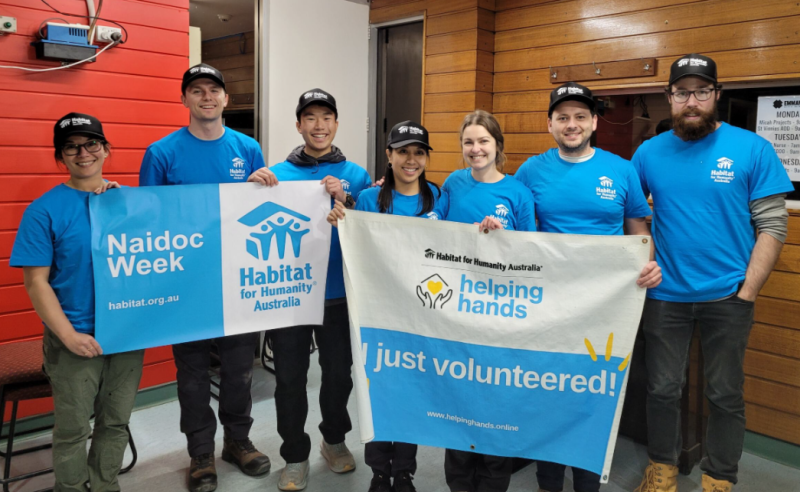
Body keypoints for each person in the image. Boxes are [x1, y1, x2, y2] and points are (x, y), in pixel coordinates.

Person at [631, 54, 792, 492]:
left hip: (729, 296)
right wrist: (646, 259)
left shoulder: (752, 148)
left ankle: (720, 477)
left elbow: (773, 225)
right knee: (662, 389)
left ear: (717, 95)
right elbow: (632, 215)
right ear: (669, 97)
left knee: (724, 393)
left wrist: (748, 291)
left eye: (702, 91)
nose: (692, 101)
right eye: (682, 92)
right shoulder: (648, 153)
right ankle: (662, 469)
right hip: (665, 296)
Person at [513, 82, 662, 492]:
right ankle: (548, 482)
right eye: (562, 117)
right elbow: (517, 228)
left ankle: (587, 482)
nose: (571, 124)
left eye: (580, 116)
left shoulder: (622, 170)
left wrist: (649, 264)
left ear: (595, 122)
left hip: (604, 306)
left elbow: (637, 228)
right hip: (548, 303)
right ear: (550, 124)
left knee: (594, 394)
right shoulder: (530, 171)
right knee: (548, 392)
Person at [139, 63, 272, 492]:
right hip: (185, 283)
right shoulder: (161, 153)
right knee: (193, 375)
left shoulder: (247, 148)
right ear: (184, 99)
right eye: (196, 90)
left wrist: (263, 185)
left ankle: (237, 441)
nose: (206, 97)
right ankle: (200, 453)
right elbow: (147, 219)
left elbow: (259, 211)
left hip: (237, 280)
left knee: (239, 371)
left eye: (214, 90)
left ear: (226, 98)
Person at [10, 113, 144, 491]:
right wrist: (68, 336)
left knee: (115, 421)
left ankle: (104, 485)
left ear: (106, 150)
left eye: (91, 144)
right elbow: (36, 282)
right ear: (61, 157)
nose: (83, 153)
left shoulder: (127, 203)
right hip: (75, 335)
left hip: (125, 333)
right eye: (71, 147)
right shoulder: (43, 210)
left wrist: (123, 203)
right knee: (72, 429)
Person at [253, 88, 373, 491]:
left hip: (340, 294)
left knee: (339, 376)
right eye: (310, 118)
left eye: (326, 117)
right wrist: (250, 188)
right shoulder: (276, 174)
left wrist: (347, 200)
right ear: (298, 125)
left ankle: (333, 440)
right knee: (289, 379)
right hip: (290, 296)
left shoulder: (356, 174)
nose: (319, 125)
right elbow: (245, 216)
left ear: (336, 124)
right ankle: (295, 455)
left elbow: (369, 225)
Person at [327, 120, 448, 492]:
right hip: (377, 312)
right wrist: (339, 222)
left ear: (426, 157)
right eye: (403, 152)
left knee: (411, 391)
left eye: (419, 152)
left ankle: (405, 472)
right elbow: (357, 247)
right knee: (377, 391)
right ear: (389, 155)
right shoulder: (368, 199)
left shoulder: (438, 197)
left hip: (421, 313)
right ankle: (380, 471)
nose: (411, 160)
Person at [442, 110, 536, 492]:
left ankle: (493, 482)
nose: (475, 149)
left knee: (496, 402)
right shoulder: (452, 183)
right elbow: (431, 231)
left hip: (501, 315)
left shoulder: (518, 192)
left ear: (497, 145)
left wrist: (503, 239)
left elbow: (532, 255)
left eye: (483, 141)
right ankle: (460, 483)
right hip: (457, 312)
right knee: (459, 400)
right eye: (468, 142)